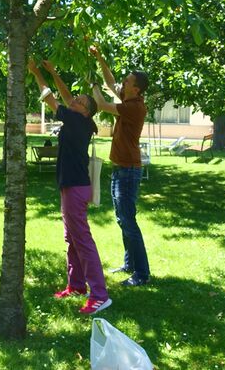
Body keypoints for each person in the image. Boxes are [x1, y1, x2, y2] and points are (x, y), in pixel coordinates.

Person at [28, 58, 112, 314]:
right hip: (71, 185)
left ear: (86, 111)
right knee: (72, 238)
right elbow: (65, 97)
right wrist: (54, 71)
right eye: (75, 100)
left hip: (75, 186)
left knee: (82, 239)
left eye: (79, 102)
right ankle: (76, 285)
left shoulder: (76, 120)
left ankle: (100, 295)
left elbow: (49, 98)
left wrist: (36, 73)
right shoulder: (80, 119)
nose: (73, 101)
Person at [88, 45, 150, 287]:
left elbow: (101, 104)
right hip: (120, 169)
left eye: (127, 81)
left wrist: (93, 85)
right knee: (122, 219)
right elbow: (110, 81)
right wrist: (99, 58)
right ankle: (129, 264)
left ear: (136, 88)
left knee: (128, 221)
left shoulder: (134, 107)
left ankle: (141, 273)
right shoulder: (127, 98)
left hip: (128, 170)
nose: (123, 83)